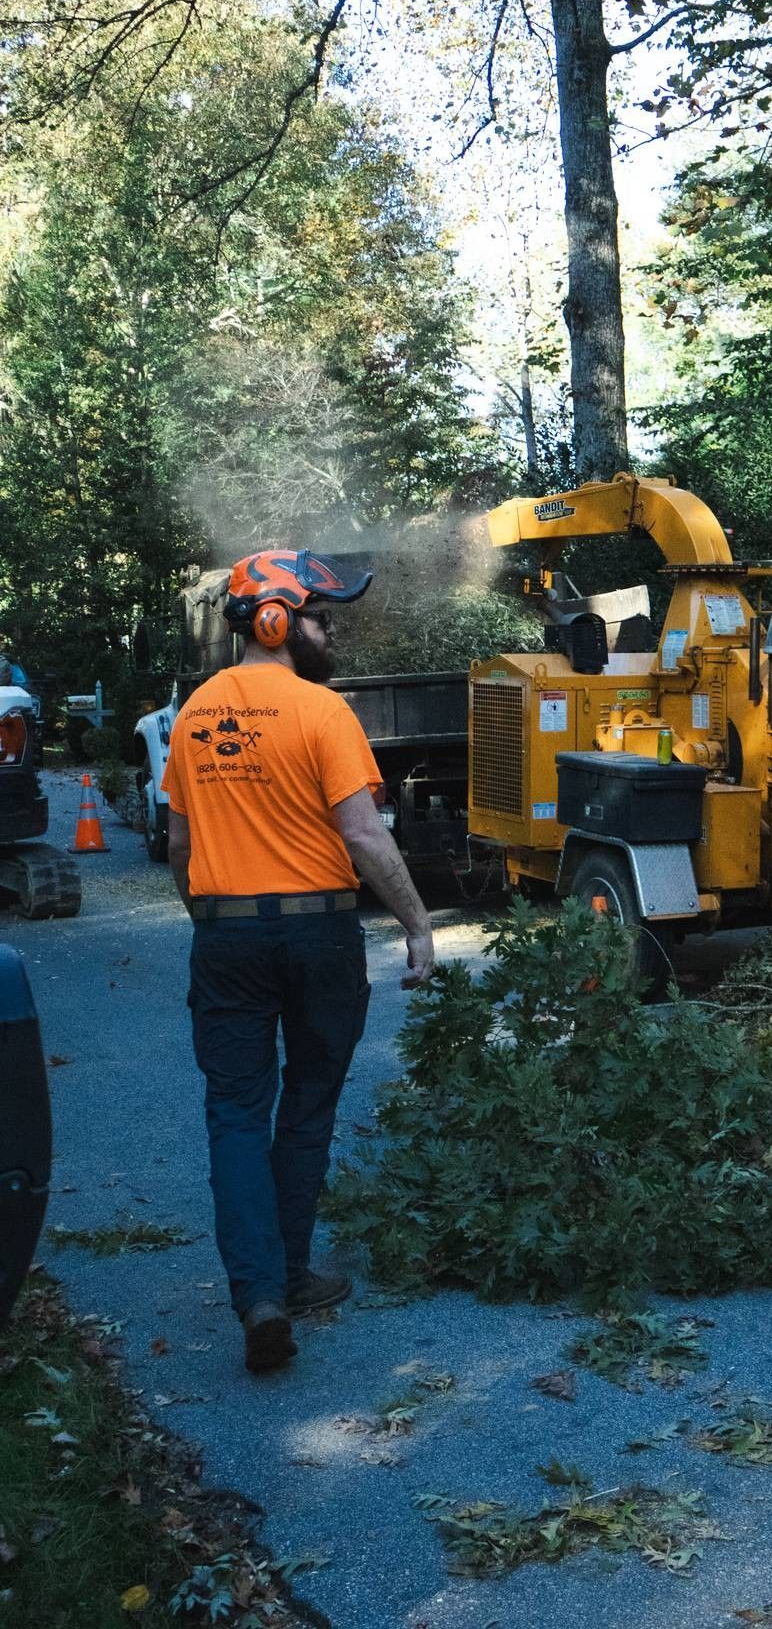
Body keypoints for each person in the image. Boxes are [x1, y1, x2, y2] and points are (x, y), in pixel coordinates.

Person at [162, 549, 435, 1375]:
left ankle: (260, 1296)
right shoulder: (324, 714)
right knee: (307, 1107)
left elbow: (180, 846)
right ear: (277, 620)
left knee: (237, 1113)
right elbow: (362, 834)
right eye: (319, 615)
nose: (327, 630)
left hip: (226, 938)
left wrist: (214, 917)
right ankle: (287, 1276)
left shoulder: (193, 717)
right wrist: (417, 923)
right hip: (318, 936)